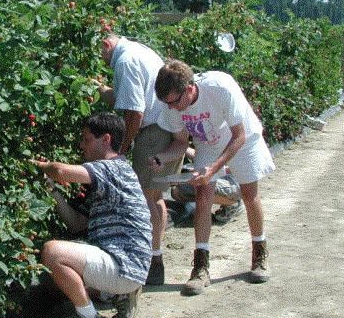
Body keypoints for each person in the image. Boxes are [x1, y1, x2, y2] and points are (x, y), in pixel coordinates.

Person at [152, 60, 274, 295]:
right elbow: (180, 143)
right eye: (166, 103)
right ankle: (200, 267)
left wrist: (214, 168)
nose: (172, 109)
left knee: (249, 194)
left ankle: (259, 253)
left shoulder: (220, 88)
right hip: (209, 141)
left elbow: (239, 136)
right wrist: (161, 158)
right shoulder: (173, 105)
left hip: (243, 139)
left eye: (175, 102)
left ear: (189, 89)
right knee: (203, 193)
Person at [33, 113, 153, 318]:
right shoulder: (109, 180)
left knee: (52, 252)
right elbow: (77, 223)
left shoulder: (113, 168)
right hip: (125, 264)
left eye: (86, 139)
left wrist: (38, 165)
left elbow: (60, 171)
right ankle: (120, 295)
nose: (81, 145)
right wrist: (53, 191)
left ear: (106, 139)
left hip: (123, 265)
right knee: (65, 264)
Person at [93, 34, 182, 286]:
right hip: (164, 127)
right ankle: (154, 257)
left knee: (146, 198)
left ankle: (151, 262)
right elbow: (128, 96)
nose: (101, 59)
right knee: (155, 196)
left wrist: (123, 146)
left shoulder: (125, 61)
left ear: (107, 45)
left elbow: (134, 112)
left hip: (153, 133)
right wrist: (101, 91)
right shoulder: (139, 51)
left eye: (100, 52)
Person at [170, 147, 244, 225]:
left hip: (234, 181)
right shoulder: (205, 146)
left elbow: (228, 168)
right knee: (177, 191)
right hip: (221, 178)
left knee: (201, 185)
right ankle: (197, 206)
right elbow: (195, 154)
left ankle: (233, 204)